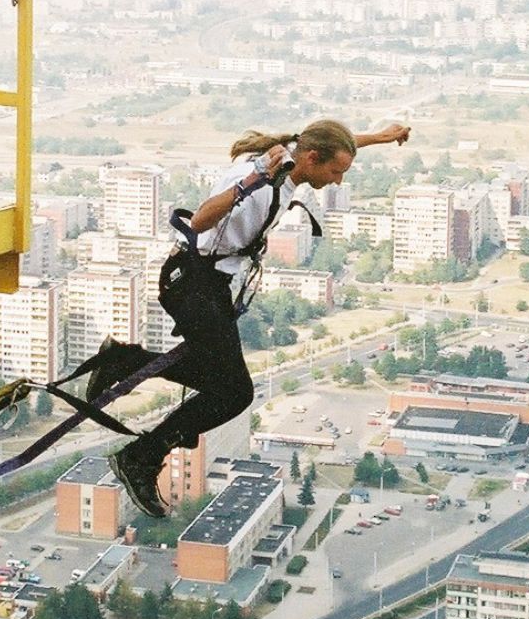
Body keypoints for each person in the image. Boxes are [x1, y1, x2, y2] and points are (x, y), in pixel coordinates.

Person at [93, 119, 412, 517]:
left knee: (219, 383)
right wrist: (252, 181)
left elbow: (332, 143)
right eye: (335, 172)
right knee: (233, 393)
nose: (338, 181)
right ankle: (140, 454)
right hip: (193, 285)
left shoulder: (293, 155)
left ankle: (123, 362)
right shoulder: (262, 181)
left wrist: (378, 137)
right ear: (312, 160)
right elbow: (200, 220)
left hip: (207, 285)